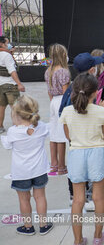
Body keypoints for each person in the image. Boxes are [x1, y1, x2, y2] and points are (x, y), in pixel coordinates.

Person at [59, 74, 104, 244]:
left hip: (76, 155)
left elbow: (68, 136)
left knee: (78, 199)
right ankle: (98, 236)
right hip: (97, 153)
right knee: (98, 197)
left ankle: (77, 240)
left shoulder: (67, 111)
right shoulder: (102, 111)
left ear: (73, 91)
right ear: (96, 92)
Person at [58, 53, 104, 213]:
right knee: (92, 191)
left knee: (78, 195)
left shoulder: (72, 90)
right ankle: (85, 199)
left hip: (77, 147)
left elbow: (67, 126)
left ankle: (78, 237)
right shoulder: (93, 107)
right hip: (89, 146)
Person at [1, 95, 53, 236]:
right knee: (40, 197)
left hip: (21, 172)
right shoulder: (41, 127)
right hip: (39, 170)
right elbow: (50, 129)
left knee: (24, 199)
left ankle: (28, 226)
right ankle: (43, 225)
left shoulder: (13, 132)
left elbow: (6, 144)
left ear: (17, 116)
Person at [44, 43, 70, 176]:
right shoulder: (63, 71)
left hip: (53, 100)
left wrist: (53, 103)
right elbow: (66, 92)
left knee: (53, 133)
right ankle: (61, 166)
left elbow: (49, 91)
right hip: (62, 101)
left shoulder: (49, 70)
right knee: (61, 135)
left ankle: (53, 164)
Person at [0, 36, 26, 133]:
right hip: (10, 84)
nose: (9, 44)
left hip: (0, 84)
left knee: (1, 106)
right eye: (7, 42)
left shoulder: (6, 54)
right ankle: (17, 126)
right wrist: (19, 84)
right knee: (15, 106)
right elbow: (12, 71)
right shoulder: (6, 56)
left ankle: (0, 126)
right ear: (2, 44)